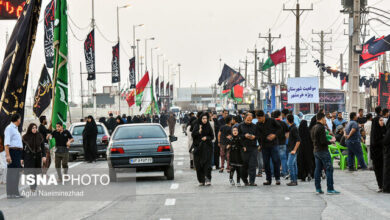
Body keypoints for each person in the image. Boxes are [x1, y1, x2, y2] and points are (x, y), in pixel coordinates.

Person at [311, 112, 340, 195]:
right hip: (323, 151)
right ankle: (330, 189)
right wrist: (331, 141)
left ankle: (318, 188)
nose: (326, 121)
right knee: (329, 169)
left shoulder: (314, 127)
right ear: (322, 118)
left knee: (317, 170)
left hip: (316, 151)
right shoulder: (321, 128)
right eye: (325, 119)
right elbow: (323, 141)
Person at [256, 110, 282, 186]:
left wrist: (274, 135)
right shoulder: (258, 124)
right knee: (266, 163)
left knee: (276, 161)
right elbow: (258, 136)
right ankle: (268, 179)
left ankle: (277, 178)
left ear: (263, 116)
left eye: (260, 118)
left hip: (274, 145)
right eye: (257, 118)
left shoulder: (271, 120)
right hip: (264, 146)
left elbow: (279, 129)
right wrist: (260, 145)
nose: (258, 120)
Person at [4, 113, 24, 199]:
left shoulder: (15, 129)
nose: (20, 120)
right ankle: (10, 193)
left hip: (17, 153)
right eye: (20, 119)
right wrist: (8, 155)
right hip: (13, 152)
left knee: (16, 173)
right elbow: (6, 144)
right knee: (12, 173)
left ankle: (15, 192)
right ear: (18, 119)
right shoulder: (9, 128)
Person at [22, 123, 46, 191]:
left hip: (37, 156)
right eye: (33, 128)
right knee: (30, 172)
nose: (34, 129)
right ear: (30, 129)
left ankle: (34, 185)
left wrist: (44, 156)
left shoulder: (40, 136)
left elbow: (43, 147)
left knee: (35, 172)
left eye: (35, 128)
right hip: (28, 156)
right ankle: (32, 186)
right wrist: (21, 158)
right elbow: (22, 148)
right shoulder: (25, 137)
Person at [192, 113, 214, 186]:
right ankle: (201, 180)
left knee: (207, 164)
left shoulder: (208, 126)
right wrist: (199, 131)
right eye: (203, 119)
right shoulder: (197, 125)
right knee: (198, 165)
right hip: (198, 148)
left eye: (206, 118)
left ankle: (208, 179)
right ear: (200, 119)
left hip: (207, 148)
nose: (205, 120)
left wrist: (206, 138)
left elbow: (212, 136)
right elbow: (193, 134)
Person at [238, 113, 258, 186]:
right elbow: (238, 136)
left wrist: (254, 137)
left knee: (252, 165)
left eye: (250, 120)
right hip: (244, 148)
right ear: (244, 118)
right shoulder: (240, 126)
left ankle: (252, 181)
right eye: (248, 120)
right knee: (244, 165)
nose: (249, 121)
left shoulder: (255, 126)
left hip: (253, 147)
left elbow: (258, 135)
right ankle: (245, 180)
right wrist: (244, 135)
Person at [371, 106, 386, 192]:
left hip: (383, 154)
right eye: (380, 120)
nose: (382, 121)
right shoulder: (375, 132)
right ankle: (380, 186)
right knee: (378, 170)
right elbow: (375, 142)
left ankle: (384, 185)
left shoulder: (384, 129)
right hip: (376, 154)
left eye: (382, 120)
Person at [286, 114, 300, 186]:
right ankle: (294, 180)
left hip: (293, 150)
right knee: (293, 165)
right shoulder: (291, 128)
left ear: (287, 120)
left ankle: (293, 180)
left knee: (290, 164)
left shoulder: (294, 128)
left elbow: (298, 140)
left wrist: (294, 150)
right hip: (291, 149)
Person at [273, 110, 288, 178]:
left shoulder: (272, 123)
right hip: (282, 143)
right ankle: (284, 172)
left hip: (274, 144)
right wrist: (285, 138)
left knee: (273, 159)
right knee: (283, 159)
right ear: (280, 115)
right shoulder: (283, 123)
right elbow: (287, 132)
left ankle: (273, 173)